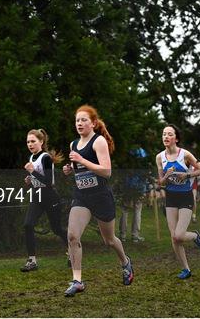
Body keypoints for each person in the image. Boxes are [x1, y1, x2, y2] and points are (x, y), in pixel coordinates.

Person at [62, 104, 134, 296]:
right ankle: (77, 280)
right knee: (72, 236)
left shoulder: (98, 141)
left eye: (84, 120)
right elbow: (79, 168)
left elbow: (106, 171)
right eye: (77, 120)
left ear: (93, 123)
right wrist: (70, 170)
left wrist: (82, 161)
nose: (79, 123)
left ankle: (125, 263)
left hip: (101, 197)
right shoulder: (73, 144)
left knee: (109, 240)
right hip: (82, 197)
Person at [156, 124, 200, 280]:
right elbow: (161, 183)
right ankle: (186, 269)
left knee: (179, 235)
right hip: (171, 197)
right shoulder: (160, 157)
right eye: (164, 134)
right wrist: (166, 176)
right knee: (174, 237)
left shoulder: (184, 154)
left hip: (185, 196)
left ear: (176, 138)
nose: (166, 137)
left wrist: (187, 175)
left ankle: (195, 236)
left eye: (169, 134)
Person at [21, 129, 69, 272]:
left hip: (49, 196)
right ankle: (32, 261)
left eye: (33, 141)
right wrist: (30, 180)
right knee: (28, 225)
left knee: (56, 229)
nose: (30, 144)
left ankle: (72, 251)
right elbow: (37, 177)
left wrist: (32, 172)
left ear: (41, 142)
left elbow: (48, 182)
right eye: (28, 142)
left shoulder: (46, 158)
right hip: (37, 196)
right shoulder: (31, 158)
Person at [119, 147, 148, 243]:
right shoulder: (142, 152)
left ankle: (122, 235)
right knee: (137, 210)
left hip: (127, 185)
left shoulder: (128, 151)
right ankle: (135, 235)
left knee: (125, 210)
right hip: (139, 186)